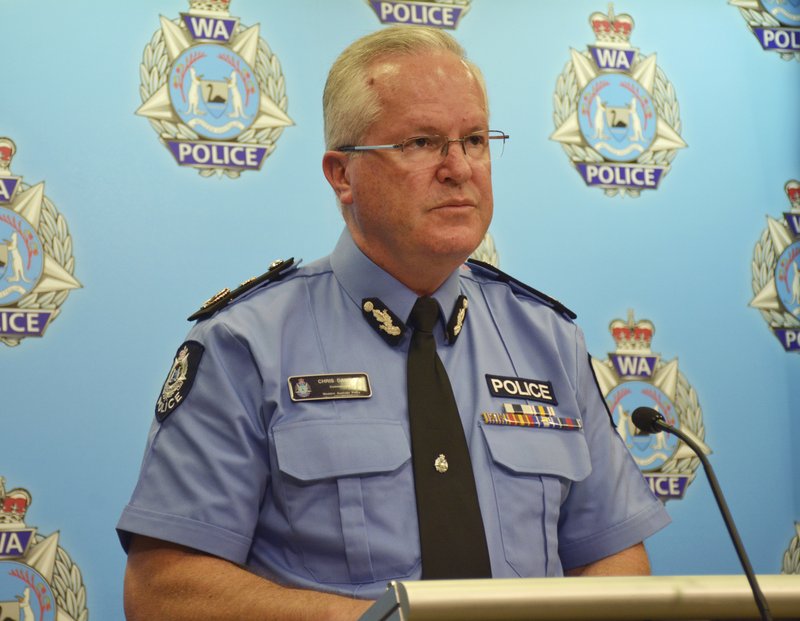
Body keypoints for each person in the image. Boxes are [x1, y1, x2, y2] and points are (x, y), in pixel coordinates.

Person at [118, 26, 670, 621]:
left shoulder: (549, 340)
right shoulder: (243, 345)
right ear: (342, 175)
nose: (458, 167)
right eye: (421, 142)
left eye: (476, 140)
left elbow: (613, 557)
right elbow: (163, 589)